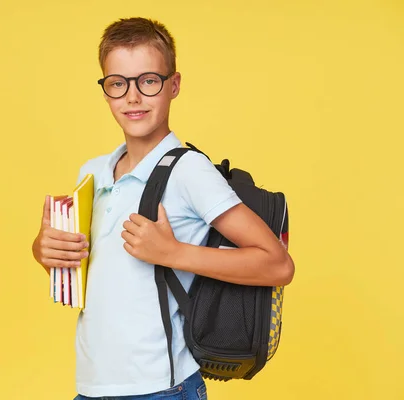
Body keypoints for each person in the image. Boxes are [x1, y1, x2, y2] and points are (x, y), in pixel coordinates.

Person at [32, 17, 295, 400]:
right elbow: (91, 269)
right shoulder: (92, 173)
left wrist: (174, 253)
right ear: (105, 91)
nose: (133, 97)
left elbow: (278, 264)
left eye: (148, 81)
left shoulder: (189, 170)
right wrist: (43, 250)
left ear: (173, 85)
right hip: (91, 387)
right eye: (118, 84)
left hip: (161, 389)